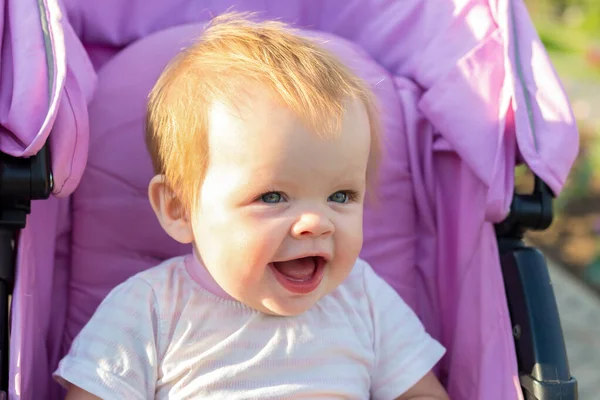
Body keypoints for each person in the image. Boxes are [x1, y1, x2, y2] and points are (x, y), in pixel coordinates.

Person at [54, 12, 449, 399]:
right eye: (272, 197)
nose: (316, 222)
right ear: (179, 209)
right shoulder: (150, 310)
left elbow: (421, 394)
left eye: (340, 196)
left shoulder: (362, 297)